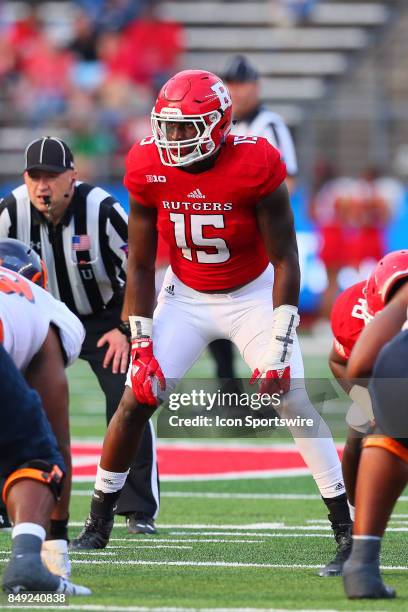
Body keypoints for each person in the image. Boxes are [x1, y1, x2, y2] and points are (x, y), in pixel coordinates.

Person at [71, 69, 351, 577]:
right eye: (168, 127)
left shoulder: (256, 163)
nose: (174, 139)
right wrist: (141, 341)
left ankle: (346, 528)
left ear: (219, 123)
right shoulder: (146, 164)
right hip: (185, 294)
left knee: (290, 396)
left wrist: (282, 343)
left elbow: (287, 259)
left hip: (252, 293)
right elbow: (139, 263)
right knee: (137, 395)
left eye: (187, 127)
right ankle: (98, 522)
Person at [0, 136, 159, 535]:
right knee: (9, 398)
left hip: (104, 316)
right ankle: (7, 501)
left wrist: (125, 329)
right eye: (35, 176)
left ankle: (138, 507)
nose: (42, 186)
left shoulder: (103, 211)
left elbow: (139, 270)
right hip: (37, 318)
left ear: (73, 176)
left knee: (130, 395)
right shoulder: (9, 212)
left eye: (52, 176)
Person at [0, 273, 90, 596]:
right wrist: (56, 540)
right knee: (36, 455)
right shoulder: (46, 307)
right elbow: (58, 439)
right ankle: (26, 561)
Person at [330, 250, 408, 525]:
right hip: (385, 385)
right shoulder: (353, 312)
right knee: (357, 435)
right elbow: (337, 361)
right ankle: (354, 524)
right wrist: (364, 400)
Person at [343, 281, 408, 599]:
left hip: (396, 361)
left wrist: (375, 407)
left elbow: (358, 365)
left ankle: (362, 566)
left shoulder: (395, 298)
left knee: (386, 437)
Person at [224, 55, 298, 193]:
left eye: (240, 84)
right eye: (231, 84)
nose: (234, 91)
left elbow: (287, 180)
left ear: (255, 87)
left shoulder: (270, 125)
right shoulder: (226, 126)